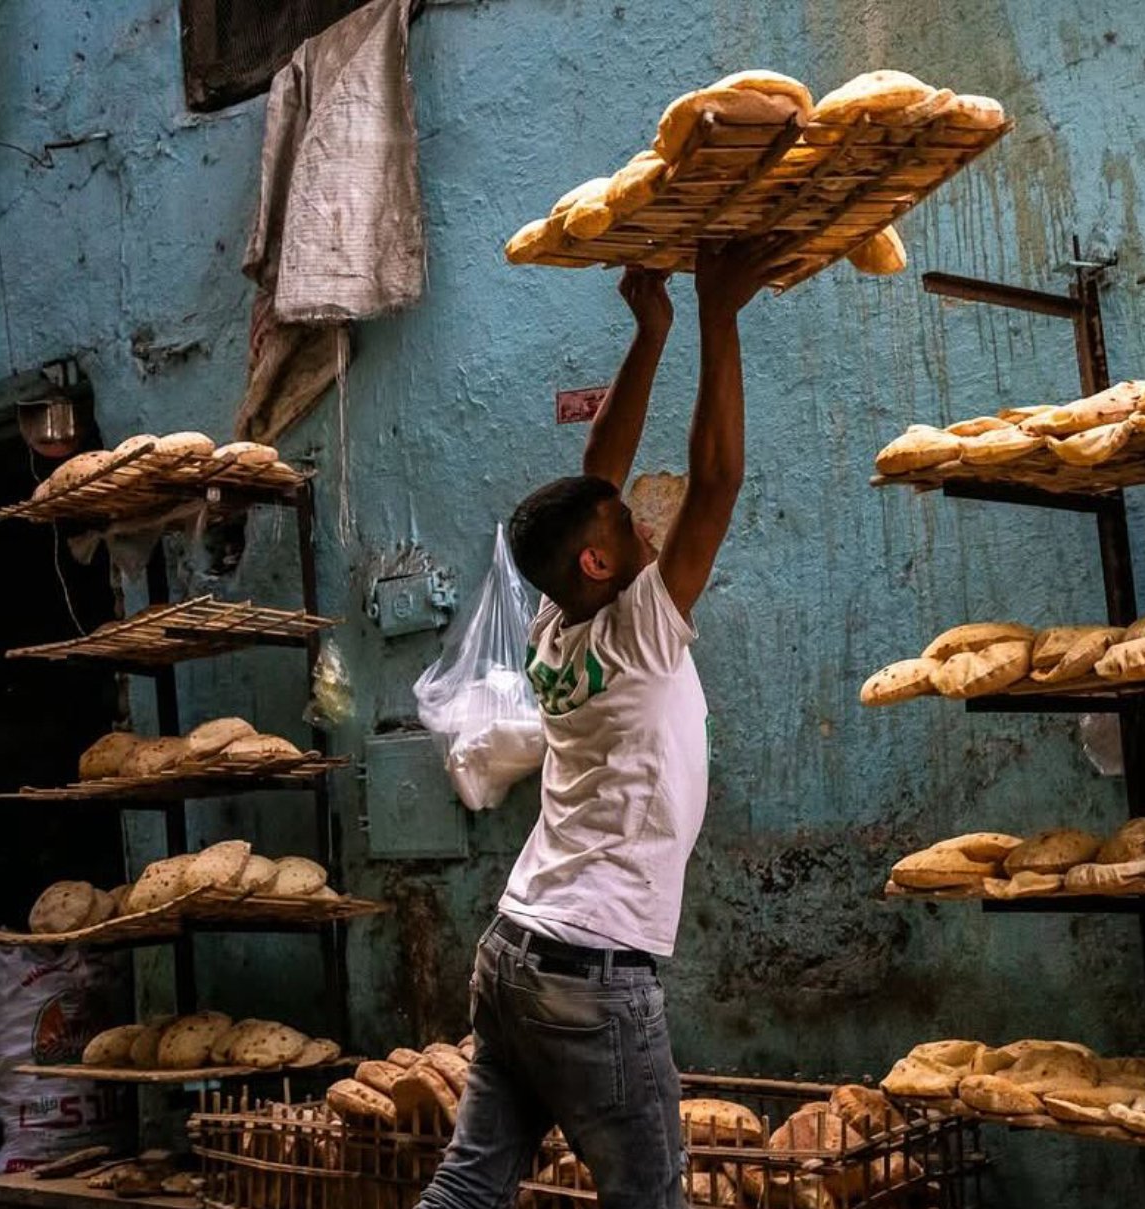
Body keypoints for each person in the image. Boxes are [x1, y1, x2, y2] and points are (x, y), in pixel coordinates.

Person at [416, 239, 780, 1209]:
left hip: (514, 952)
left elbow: (596, 472)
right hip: (590, 972)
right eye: (629, 529)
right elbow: (717, 483)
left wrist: (650, 330)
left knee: (469, 1187)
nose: (647, 527)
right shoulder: (638, 631)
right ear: (597, 564)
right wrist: (718, 313)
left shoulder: (558, 618)